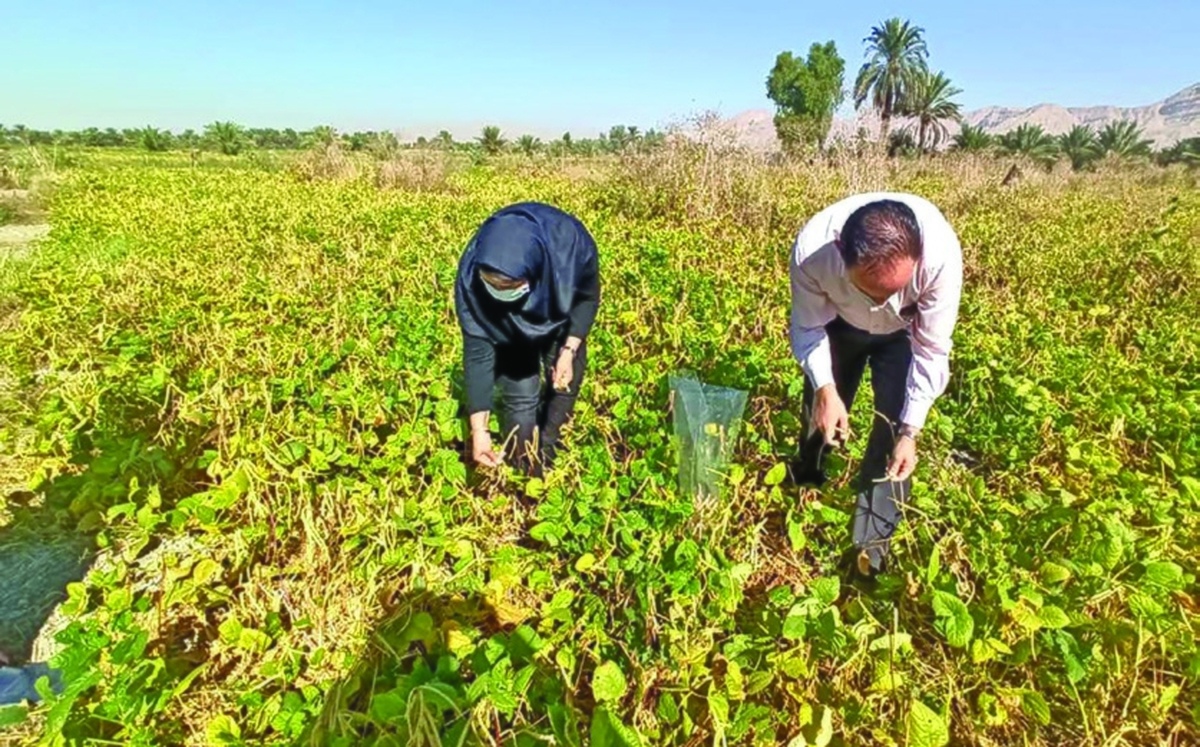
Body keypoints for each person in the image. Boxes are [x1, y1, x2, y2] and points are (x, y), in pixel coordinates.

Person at [788, 192, 963, 578]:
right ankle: (802, 497)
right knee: (819, 420)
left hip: (905, 337)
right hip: (838, 325)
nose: (887, 301)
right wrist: (824, 389)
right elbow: (808, 327)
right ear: (840, 253)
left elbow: (932, 351)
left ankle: (869, 555)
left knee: (893, 439)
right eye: (874, 291)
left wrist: (910, 431)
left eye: (898, 290)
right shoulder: (812, 252)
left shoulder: (940, 257)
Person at [454, 201, 600, 477]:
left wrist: (569, 351)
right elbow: (478, 355)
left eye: (508, 287)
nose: (499, 291)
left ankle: (547, 451)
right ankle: (523, 468)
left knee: (564, 385)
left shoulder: (571, 246)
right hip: (504, 325)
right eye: (492, 285)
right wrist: (479, 431)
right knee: (520, 402)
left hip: (560, 312)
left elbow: (587, 298)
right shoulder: (471, 275)